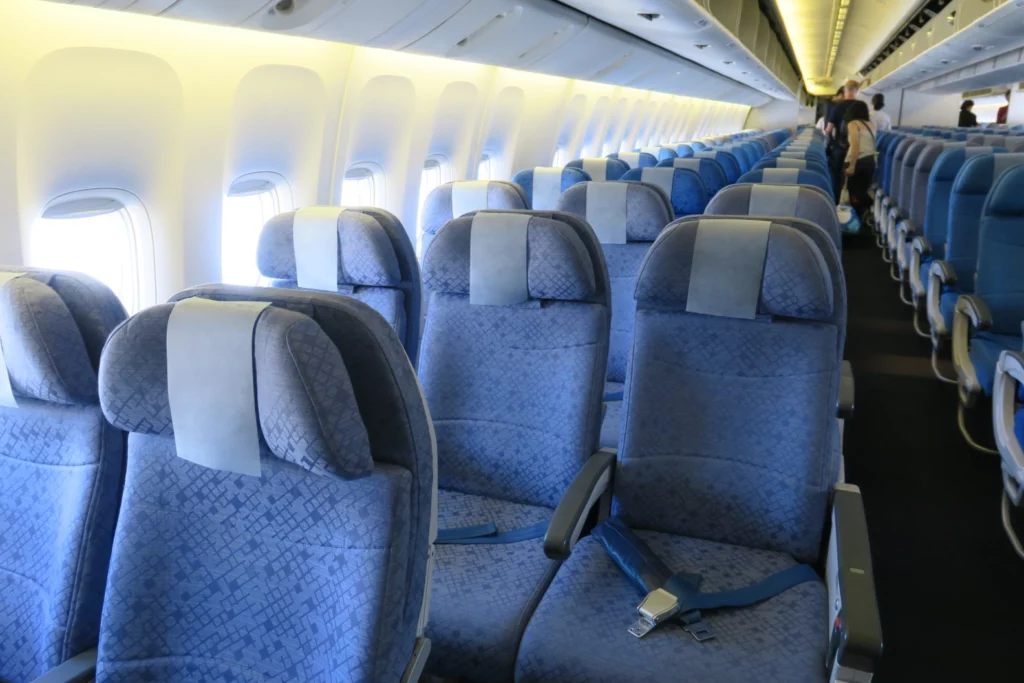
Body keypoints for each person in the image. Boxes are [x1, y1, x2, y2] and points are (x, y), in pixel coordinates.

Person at [825, 79, 860, 201]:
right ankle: (852, 206)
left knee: (837, 178)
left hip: (840, 148)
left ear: (845, 90)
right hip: (857, 149)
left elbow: (828, 129)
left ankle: (836, 204)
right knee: (854, 179)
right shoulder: (861, 107)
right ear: (857, 91)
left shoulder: (837, 107)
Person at [843, 99, 876, 222]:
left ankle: (853, 218)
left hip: (857, 160)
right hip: (870, 160)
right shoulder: (871, 125)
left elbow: (855, 145)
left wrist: (852, 165)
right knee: (862, 190)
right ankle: (864, 213)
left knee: (851, 191)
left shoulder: (853, 124)